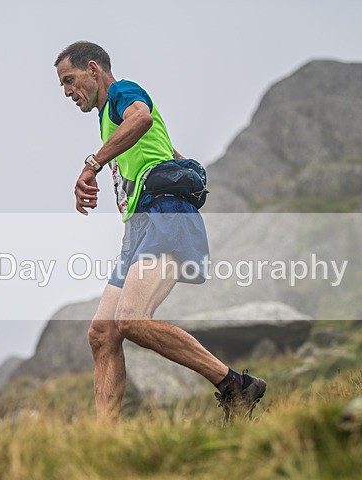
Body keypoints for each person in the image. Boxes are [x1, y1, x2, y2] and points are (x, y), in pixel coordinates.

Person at [54, 41, 266, 423]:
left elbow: (142, 118)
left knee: (132, 319)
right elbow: (167, 151)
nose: (67, 92)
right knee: (102, 333)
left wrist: (92, 165)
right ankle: (104, 439)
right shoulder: (107, 119)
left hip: (164, 214)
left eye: (69, 80)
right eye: (63, 85)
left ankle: (236, 385)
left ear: (93, 69)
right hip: (138, 228)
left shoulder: (122, 92)